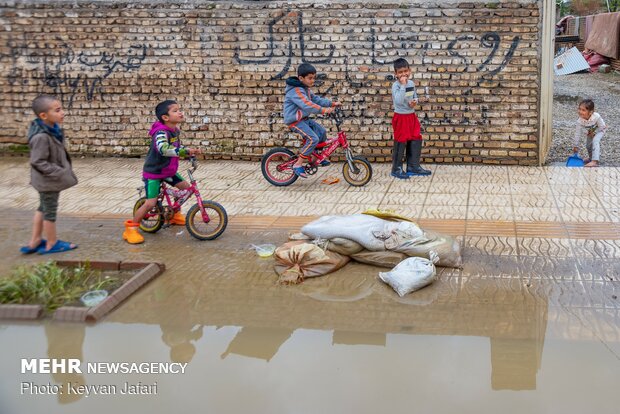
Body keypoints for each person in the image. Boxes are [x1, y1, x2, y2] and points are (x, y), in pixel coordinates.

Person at [123, 100, 200, 244]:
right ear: (165, 117)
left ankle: (174, 214)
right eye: (176, 111)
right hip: (154, 173)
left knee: (186, 189)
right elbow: (163, 149)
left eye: (180, 109)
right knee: (151, 203)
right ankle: (131, 229)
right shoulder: (160, 132)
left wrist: (188, 152)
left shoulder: (174, 130)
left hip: (168, 170)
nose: (180, 112)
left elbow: (175, 146)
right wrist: (183, 151)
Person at [20, 95, 78, 255]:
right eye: (58, 110)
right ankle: (52, 243)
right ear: (43, 115)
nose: (63, 113)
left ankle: (35, 241)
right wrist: (59, 172)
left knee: (42, 208)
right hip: (48, 181)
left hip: (46, 180)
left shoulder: (51, 129)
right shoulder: (41, 136)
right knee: (50, 212)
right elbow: (37, 161)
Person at [283, 63, 340, 178]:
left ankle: (315, 159)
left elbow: (316, 99)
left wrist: (332, 103)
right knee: (313, 139)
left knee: (322, 132)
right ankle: (298, 164)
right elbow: (307, 105)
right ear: (301, 78)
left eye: (314, 78)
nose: (312, 80)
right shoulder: (296, 91)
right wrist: (324, 110)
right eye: (310, 78)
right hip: (295, 121)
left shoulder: (306, 89)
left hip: (303, 119)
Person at [391, 58, 431, 179]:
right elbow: (398, 100)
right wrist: (403, 85)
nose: (403, 74)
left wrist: (414, 102)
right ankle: (396, 169)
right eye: (400, 72)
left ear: (410, 71)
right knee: (401, 140)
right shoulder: (396, 86)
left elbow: (411, 97)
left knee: (415, 137)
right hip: (401, 117)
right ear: (396, 74)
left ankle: (413, 166)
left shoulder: (411, 84)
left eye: (405, 71)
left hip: (411, 115)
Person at [572, 99, 606, 168]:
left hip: (600, 130)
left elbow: (602, 127)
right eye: (580, 109)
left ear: (590, 112)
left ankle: (595, 161)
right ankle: (591, 158)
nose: (580, 111)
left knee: (595, 141)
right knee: (588, 145)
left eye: (583, 110)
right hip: (590, 132)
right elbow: (577, 134)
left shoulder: (596, 116)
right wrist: (576, 146)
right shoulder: (580, 121)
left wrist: (594, 132)